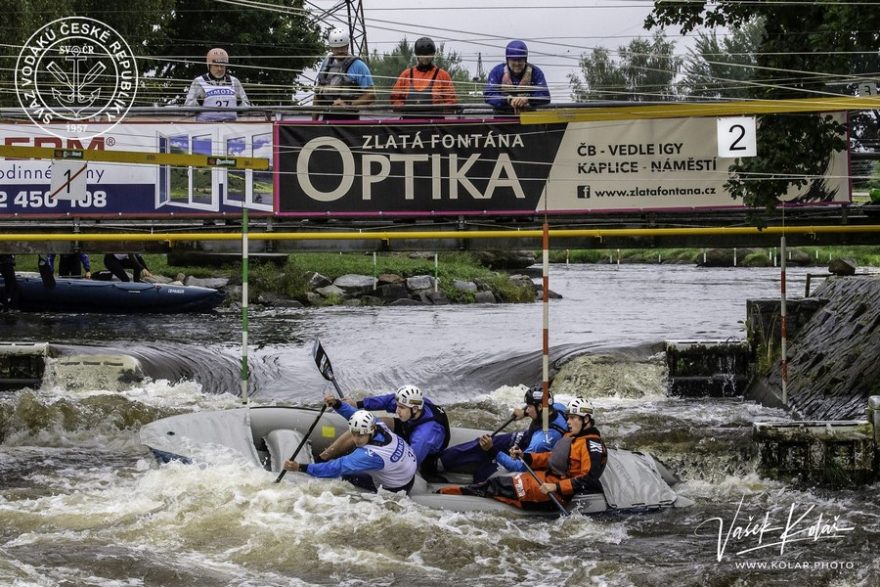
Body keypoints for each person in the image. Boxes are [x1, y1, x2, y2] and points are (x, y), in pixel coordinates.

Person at [438, 397, 607, 511]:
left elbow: (588, 478)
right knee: (499, 483)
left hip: (557, 492)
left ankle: (445, 495)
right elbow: (553, 458)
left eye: (573, 418)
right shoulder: (572, 436)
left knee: (496, 486)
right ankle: (451, 491)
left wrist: (556, 487)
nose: (568, 422)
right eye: (568, 417)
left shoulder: (591, 445)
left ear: (585, 420)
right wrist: (527, 458)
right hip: (548, 478)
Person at [437, 384, 568, 483]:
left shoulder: (541, 442)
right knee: (480, 442)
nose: (526, 409)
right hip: (527, 437)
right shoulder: (557, 408)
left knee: (483, 473)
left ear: (540, 408)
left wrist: (492, 450)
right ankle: (440, 462)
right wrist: (525, 413)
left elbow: (519, 466)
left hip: (528, 450)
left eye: (529, 407)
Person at [319, 385, 450, 477]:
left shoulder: (424, 436)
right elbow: (388, 401)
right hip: (410, 429)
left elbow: (408, 467)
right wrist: (357, 404)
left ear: (415, 409)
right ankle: (323, 458)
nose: (397, 410)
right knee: (372, 422)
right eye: (398, 406)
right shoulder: (413, 406)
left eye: (401, 408)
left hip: (422, 455)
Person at [283, 408, 418, 494]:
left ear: (370, 432)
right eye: (354, 434)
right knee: (352, 455)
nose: (356, 439)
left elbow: (336, 467)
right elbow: (354, 413)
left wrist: (300, 467)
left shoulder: (368, 455)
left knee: (345, 476)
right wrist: (337, 404)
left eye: (360, 435)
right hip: (404, 473)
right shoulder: (379, 425)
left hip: (397, 488)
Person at [313, 27, 376, 121]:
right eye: (336, 48)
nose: (339, 51)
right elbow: (318, 96)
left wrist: (348, 105)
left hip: (349, 119)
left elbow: (371, 95)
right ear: (331, 48)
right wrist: (314, 122)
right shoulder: (326, 64)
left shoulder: (359, 66)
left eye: (342, 47)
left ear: (347, 45)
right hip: (327, 117)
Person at [390, 37, 458, 118]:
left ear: (433, 54)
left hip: (436, 124)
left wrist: (442, 108)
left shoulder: (442, 75)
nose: (425, 57)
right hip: (409, 123)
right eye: (422, 54)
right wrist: (401, 107)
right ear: (417, 55)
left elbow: (451, 101)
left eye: (428, 54)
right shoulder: (406, 74)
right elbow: (395, 98)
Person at [484, 40, 550, 114]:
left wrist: (528, 99)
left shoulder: (535, 72)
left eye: (520, 60)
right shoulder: (497, 72)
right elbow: (489, 95)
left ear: (525, 59)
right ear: (507, 59)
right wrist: (508, 99)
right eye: (514, 60)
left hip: (528, 121)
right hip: (502, 121)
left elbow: (545, 95)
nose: (517, 63)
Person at [185, 48, 250, 121]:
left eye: (222, 66)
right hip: (205, 125)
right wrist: (199, 101)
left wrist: (239, 102)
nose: (219, 69)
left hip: (230, 126)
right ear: (209, 66)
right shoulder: (199, 81)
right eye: (216, 65)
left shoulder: (234, 81)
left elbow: (247, 109)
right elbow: (188, 111)